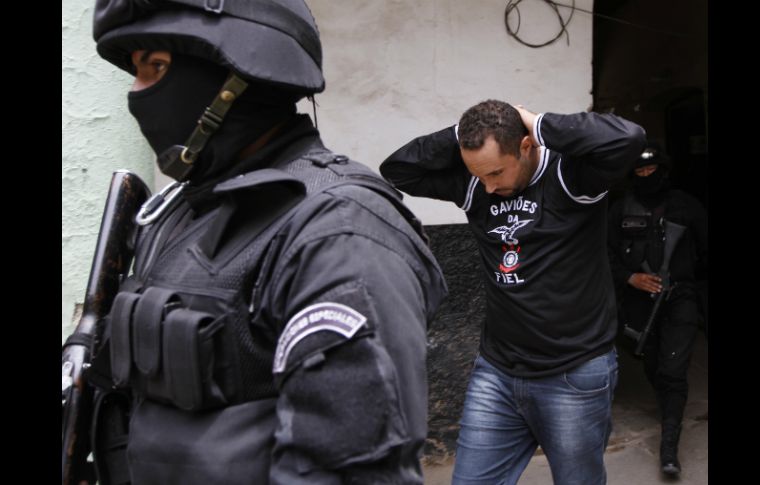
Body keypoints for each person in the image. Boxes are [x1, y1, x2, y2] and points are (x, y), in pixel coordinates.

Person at [80, 0, 448, 483]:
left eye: (157, 66)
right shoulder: (180, 212)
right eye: (135, 69)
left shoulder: (339, 228)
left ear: (236, 78)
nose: (137, 91)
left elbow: (348, 468)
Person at [380, 99, 646, 484]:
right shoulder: (476, 185)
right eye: (479, 174)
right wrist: (464, 131)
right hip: (498, 373)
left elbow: (628, 138)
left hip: (573, 374)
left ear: (524, 147)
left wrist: (537, 124)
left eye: (496, 173)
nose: (489, 186)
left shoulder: (572, 177)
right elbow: (398, 169)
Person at [607, 143, 707, 477]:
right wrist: (630, 277)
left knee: (673, 370)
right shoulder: (620, 210)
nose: (647, 176)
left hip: (680, 297)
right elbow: (605, 256)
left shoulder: (687, 207)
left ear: (664, 170)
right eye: (641, 172)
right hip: (639, 303)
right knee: (653, 365)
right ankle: (670, 410)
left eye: (653, 170)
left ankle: (669, 447)